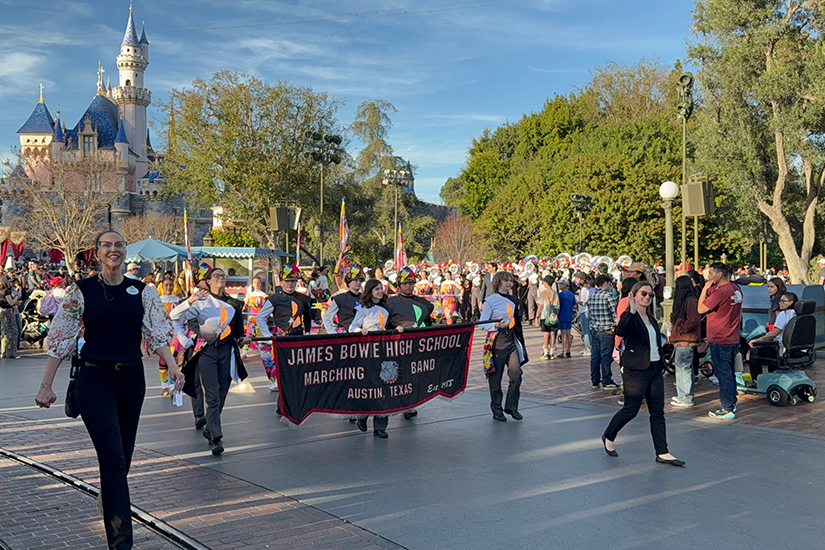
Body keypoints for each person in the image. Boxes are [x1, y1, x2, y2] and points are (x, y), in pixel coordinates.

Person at [35, 230, 184, 549]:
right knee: (113, 460)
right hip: (94, 380)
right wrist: (46, 385)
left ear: (124, 252)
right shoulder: (82, 291)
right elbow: (60, 338)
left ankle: (110, 493)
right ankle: (120, 542)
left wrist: (172, 366)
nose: (113, 250)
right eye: (107, 245)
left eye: (118, 245)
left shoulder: (142, 291)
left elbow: (157, 333)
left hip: (131, 380)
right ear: (97, 252)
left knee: (123, 459)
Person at [602, 281, 684, 467]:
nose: (647, 297)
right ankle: (609, 435)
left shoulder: (651, 319)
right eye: (643, 294)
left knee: (657, 412)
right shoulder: (629, 316)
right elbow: (621, 331)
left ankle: (662, 452)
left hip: (655, 368)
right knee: (631, 409)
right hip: (635, 370)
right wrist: (630, 311)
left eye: (650, 295)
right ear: (634, 295)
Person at [170, 267, 250, 455]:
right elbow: (174, 316)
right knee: (212, 394)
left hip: (227, 352)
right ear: (208, 281)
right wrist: (190, 302)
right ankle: (215, 437)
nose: (220, 278)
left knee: (221, 394)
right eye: (216, 276)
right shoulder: (200, 302)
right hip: (206, 352)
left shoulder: (234, 304)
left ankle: (209, 427)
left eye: (223, 276)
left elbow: (238, 331)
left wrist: (243, 339)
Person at [479, 270, 528, 422]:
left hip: (510, 341)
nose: (509, 283)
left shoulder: (514, 300)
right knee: (496, 377)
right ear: (498, 282)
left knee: (516, 374)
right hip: (496, 341)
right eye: (506, 280)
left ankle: (512, 406)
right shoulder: (490, 300)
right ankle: (497, 409)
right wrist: (495, 325)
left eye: (511, 281)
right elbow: (482, 323)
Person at [386, 267, 434, 421]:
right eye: (406, 283)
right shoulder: (390, 302)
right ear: (399, 285)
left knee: (415, 376)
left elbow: (428, 323)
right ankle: (398, 404)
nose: (409, 286)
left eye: (411, 283)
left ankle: (410, 405)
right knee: (398, 377)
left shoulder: (423, 303)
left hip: (419, 345)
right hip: (398, 345)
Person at [256, 265, 312, 395]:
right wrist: (268, 337)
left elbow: (308, 317)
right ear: (281, 282)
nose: (290, 284)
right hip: (280, 340)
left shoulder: (303, 298)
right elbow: (260, 318)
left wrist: (308, 334)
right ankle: (281, 405)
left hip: (298, 338)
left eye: (293, 281)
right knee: (282, 373)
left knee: (297, 373)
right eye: (287, 281)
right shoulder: (274, 298)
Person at [698, 262, 743, 420]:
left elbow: (701, 309)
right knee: (729, 373)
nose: (708, 276)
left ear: (719, 274)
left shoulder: (721, 292)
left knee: (723, 374)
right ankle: (731, 402)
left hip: (719, 337)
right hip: (731, 336)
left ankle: (727, 407)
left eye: (711, 273)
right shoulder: (735, 289)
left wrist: (704, 289)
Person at [350, 278, 393, 438]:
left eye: (381, 289)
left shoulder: (387, 310)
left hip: (383, 351)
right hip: (367, 351)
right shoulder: (362, 309)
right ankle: (363, 415)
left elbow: (390, 326)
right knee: (370, 386)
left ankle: (380, 426)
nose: (380, 291)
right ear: (370, 291)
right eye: (376, 289)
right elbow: (352, 326)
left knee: (384, 386)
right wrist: (360, 331)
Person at [747, 292, 798, 384]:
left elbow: (773, 334)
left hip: (782, 349)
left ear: (791, 302)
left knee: (755, 350)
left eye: (783, 301)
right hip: (797, 350)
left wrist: (757, 340)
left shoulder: (784, 314)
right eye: (779, 301)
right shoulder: (799, 315)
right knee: (769, 347)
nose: (780, 303)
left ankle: (756, 380)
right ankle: (773, 377)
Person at [670, 275, 701, 407]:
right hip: (684, 338)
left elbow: (694, 319)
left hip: (685, 337)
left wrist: (682, 329)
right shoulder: (690, 300)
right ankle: (683, 395)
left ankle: (686, 397)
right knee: (683, 367)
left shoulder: (689, 300)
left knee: (683, 367)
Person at [588, 274, 618, 390]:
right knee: (606, 355)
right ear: (605, 283)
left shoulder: (593, 295)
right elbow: (614, 313)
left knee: (595, 356)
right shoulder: (608, 296)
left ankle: (595, 380)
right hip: (607, 329)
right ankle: (607, 379)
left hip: (595, 329)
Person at [157, 277, 182, 395]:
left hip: (175, 334)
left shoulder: (177, 301)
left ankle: (173, 387)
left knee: (173, 359)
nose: (168, 288)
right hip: (161, 334)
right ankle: (164, 386)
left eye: (170, 285)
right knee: (162, 362)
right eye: (166, 285)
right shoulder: (157, 301)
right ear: (162, 287)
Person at [322, 265, 365, 333]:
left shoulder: (365, 298)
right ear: (349, 283)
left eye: (360, 280)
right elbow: (327, 318)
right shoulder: (339, 299)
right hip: (345, 335)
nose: (358, 282)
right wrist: (333, 334)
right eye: (356, 280)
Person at [241, 276, 268, 359]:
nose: (256, 284)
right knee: (249, 334)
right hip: (251, 316)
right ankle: (244, 353)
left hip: (261, 316)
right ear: (252, 284)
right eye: (255, 282)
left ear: (261, 284)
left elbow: (268, 306)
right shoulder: (249, 295)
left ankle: (263, 353)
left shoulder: (264, 295)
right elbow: (244, 306)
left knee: (260, 335)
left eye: (258, 282)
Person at [535, 275, 559, 360]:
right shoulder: (555, 293)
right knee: (553, 333)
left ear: (546, 283)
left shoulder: (544, 293)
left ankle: (546, 352)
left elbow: (540, 305)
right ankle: (552, 352)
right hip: (553, 316)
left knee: (546, 333)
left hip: (544, 316)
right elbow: (557, 307)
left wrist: (536, 316)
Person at [0, 276, 21, 358]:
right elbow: (11, 302)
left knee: (5, 331)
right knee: (12, 331)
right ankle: (11, 352)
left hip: (3, 310)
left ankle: (5, 351)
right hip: (7, 311)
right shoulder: (6, 291)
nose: (12, 283)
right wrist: (17, 296)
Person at [556, 279, 576, 358]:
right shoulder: (571, 294)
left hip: (562, 315)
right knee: (568, 333)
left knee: (563, 334)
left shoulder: (560, 295)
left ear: (565, 285)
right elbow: (574, 305)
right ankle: (568, 350)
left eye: (561, 284)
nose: (560, 285)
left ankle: (564, 350)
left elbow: (557, 306)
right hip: (569, 315)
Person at [574, 272, 591, 356]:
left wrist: (577, 300)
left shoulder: (584, 289)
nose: (575, 280)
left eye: (577, 278)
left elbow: (583, 302)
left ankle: (588, 347)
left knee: (586, 330)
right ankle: (587, 347)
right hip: (585, 310)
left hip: (584, 310)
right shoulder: (586, 288)